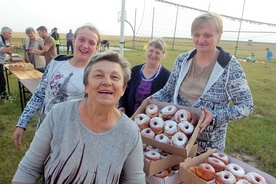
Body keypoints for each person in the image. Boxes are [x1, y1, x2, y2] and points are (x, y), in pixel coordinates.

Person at [11, 51, 146, 183]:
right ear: (86, 86)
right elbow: (29, 168)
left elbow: (134, 180)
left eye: (115, 77)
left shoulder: (130, 132)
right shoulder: (59, 114)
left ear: (123, 89)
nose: (107, 82)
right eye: (98, 75)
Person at [151, 12, 253, 155]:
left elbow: (246, 106)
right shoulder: (182, 60)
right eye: (196, 34)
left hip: (207, 146)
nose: (200, 40)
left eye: (207, 35)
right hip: (175, 138)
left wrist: (215, 116)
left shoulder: (230, 66)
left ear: (219, 36)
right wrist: (149, 101)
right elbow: (167, 91)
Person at [13, 24, 101, 151]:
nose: (85, 45)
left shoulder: (97, 74)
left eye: (91, 43)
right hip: (45, 125)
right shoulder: (57, 63)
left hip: (72, 134)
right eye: (81, 39)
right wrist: (22, 123)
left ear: (97, 48)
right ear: (74, 41)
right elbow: (39, 95)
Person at [118, 38, 170, 117]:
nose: (153, 55)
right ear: (146, 51)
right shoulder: (134, 71)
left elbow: (168, 101)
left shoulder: (166, 76)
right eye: (151, 51)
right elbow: (123, 91)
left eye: (158, 53)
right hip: (130, 117)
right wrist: (122, 106)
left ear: (163, 55)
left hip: (152, 122)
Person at [0, 27, 20, 100]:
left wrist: (8, 51)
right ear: (3, 32)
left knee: (1, 80)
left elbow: (3, 49)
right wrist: (13, 47)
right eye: (9, 33)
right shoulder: (0, 40)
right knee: (1, 81)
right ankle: (3, 97)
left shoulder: (3, 39)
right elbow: (2, 51)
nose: (10, 35)